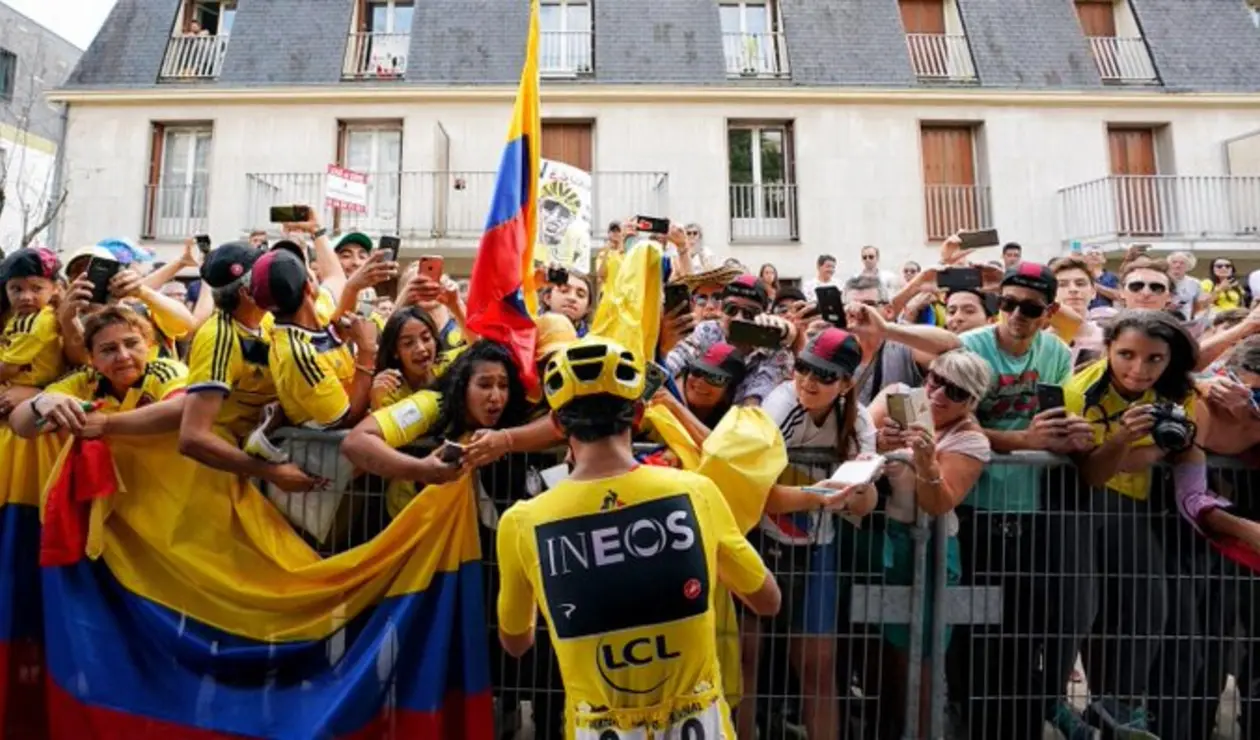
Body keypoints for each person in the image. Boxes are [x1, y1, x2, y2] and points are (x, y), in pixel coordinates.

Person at [494, 335, 782, 739]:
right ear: (638, 413)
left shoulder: (523, 521)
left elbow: (517, 643)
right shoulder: (693, 491)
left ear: (558, 425)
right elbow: (767, 600)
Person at [944, 261, 1097, 740]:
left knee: (1025, 625)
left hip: (1032, 512)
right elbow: (951, 425)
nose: (1015, 314)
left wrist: (1064, 435)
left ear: (1048, 312)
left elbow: (1049, 422)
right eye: (1007, 303)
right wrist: (1024, 441)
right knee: (973, 628)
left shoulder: (1054, 350)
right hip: (972, 505)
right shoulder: (970, 347)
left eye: (1029, 308)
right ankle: (969, 718)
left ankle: (1021, 721)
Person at [752, 327, 880, 740]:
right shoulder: (780, 405)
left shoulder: (858, 421)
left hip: (817, 550)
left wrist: (856, 489)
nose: (808, 381)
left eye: (824, 376)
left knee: (819, 670)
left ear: (845, 384)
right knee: (745, 665)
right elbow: (754, 493)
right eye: (804, 368)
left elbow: (867, 502)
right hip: (756, 543)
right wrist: (818, 496)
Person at [868, 349, 993, 739]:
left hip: (932, 545)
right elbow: (851, 443)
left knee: (919, 659)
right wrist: (878, 440)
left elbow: (940, 503)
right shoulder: (901, 398)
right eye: (935, 380)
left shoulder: (971, 439)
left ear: (972, 402)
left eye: (954, 392)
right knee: (881, 654)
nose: (938, 395)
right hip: (879, 536)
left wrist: (925, 462)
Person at [178, 244, 313, 492]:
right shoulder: (219, 337)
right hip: (221, 483)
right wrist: (272, 473)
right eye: (265, 271)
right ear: (247, 292)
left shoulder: (269, 321)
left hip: (254, 471)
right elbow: (193, 437)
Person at [10, 305, 187, 439]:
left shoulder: (165, 371)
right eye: (109, 350)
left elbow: (183, 408)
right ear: (91, 358)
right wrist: (40, 403)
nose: (123, 356)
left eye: (132, 344)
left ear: (149, 345)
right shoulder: (85, 380)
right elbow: (20, 426)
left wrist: (106, 424)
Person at [249, 249, 378, 430]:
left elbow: (333, 333)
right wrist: (367, 351)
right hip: (331, 452)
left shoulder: (310, 316)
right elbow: (346, 419)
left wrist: (353, 287)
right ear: (308, 287)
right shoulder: (297, 354)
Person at [0, 248, 64, 399]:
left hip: (25, 387)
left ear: (55, 289)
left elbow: (9, 369)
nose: (26, 297)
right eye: (16, 289)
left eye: (37, 288)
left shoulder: (37, 321)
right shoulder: (21, 315)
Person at [370, 306, 443, 411]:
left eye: (426, 338)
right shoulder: (388, 391)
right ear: (395, 351)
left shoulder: (449, 366)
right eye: (408, 343)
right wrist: (376, 401)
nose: (421, 348)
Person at [1166, 251, 1201, 320]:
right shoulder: (1162, 279)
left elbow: (1197, 305)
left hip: (1185, 321)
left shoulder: (1195, 283)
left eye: (1182, 263)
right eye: (1174, 262)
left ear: (1188, 266)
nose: (1177, 265)